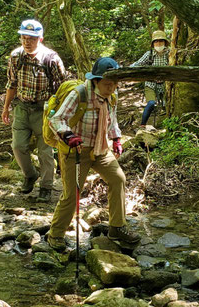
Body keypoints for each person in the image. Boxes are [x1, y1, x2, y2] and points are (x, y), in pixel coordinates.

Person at [46, 58, 140, 251]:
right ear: (96, 81)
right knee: (72, 194)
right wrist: (68, 134)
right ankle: (55, 234)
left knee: (118, 179)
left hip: (101, 148)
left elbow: (111, 120)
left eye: (115, 83)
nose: (112, 88)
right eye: (107, 83)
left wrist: (116, 139)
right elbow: (57, 119)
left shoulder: (111, 97)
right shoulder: (79, 94)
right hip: (76, 151)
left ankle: (117, 227)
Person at [1, 19, 66, 202]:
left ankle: (46, 186)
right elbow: (11, 84)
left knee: (45, 151)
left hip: (44, 110)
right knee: (18, 146)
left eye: (31, 38)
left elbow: (62, 88)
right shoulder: (16, 56)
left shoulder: (52, 59)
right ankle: (30, 175)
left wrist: (60, 114)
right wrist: (6, 108)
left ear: (41, 39)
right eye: (23, 37)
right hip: (21, 107)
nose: (27, 42)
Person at [130, 30, 170, 128]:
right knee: (151, 103)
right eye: (156, 41)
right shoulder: (149, 54)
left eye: (161, 41)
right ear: (153, 43)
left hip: (166, 85)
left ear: (165, 42)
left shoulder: (169, 54)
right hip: (150, 84)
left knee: (167, 105)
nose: (159, 43)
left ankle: (168, 127)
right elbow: (137, 64)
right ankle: (143, 125)